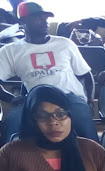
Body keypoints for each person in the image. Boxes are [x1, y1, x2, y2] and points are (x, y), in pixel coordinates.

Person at [0, 2, 98, 145]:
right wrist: (12, 99)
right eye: (38, 18)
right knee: (13, 120)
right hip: (35, 99)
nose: (45, 22)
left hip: (69, 96)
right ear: (23, 21)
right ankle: (5, 163)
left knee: (83, 119)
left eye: (46, 18)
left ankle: (97, 161)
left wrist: (89, 100)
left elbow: (85, 75)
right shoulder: (11, 50)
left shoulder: (65, 44)